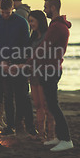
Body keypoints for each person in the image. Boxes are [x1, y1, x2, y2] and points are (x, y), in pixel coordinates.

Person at [22, 0, 73, 152]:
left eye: (46, 7)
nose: (44, 10)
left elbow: (43, 48)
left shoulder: (57, 27)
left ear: (53, 8)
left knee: (53, 106)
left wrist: (28, 63)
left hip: (50, 70)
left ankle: (66, 140)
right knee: (52, 104)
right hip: (51, 69)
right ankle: (60, 137)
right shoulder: (57, 25)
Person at [0, 0, 37, 136]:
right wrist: (1, 62)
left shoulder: (21, 22)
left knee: (22, 96)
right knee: (7, 96)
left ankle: (27, 125)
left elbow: (25, 44)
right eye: (2, 12)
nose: (5, 15)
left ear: (12, 9)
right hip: (3, 64)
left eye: (7, 12)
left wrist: (19, 64)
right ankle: (10, 126)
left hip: (18, 62)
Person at [28, 10, 55, 140]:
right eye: (29, 21)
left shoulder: (47, 36)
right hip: (33, 74)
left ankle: (51, 134)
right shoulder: (33, 37)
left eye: (32, 21)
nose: (30, 24)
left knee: (46, 106)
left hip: (44, 74)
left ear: (40, 21)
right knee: (38, 105)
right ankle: (41, 134)